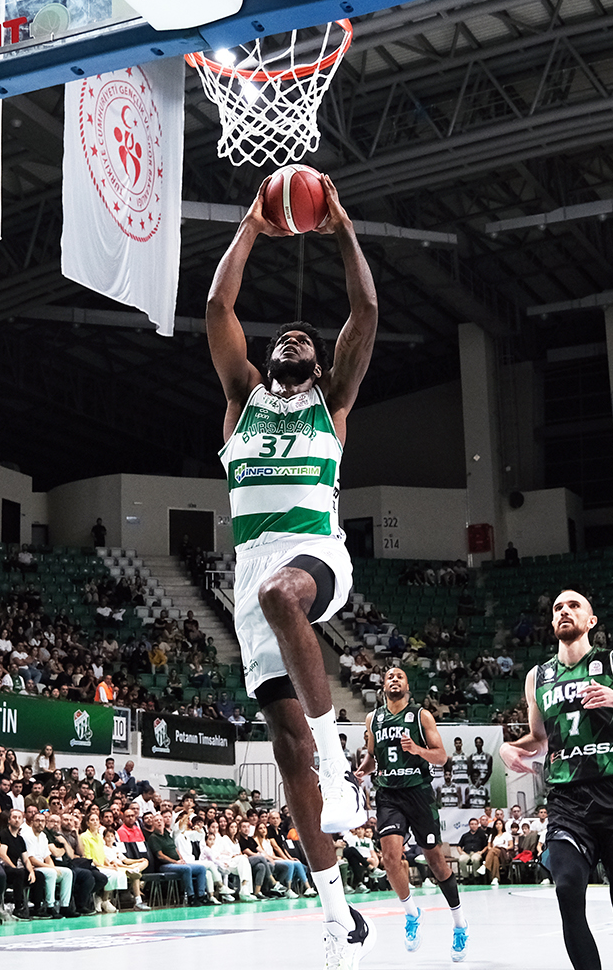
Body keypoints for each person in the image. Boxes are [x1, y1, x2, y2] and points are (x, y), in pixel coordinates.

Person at [207, 169, 378, 969]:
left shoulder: (331, 403)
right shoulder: (242, 398)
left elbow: (364, 314)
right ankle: (338, 914)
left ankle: (338, 764)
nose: (293, 340)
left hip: (316, 559)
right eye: (284, 337)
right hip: (251, 578)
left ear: (321, 363)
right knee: (284, 752)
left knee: (286, 594)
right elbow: (219, 310)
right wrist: (251, 222)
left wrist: (342, 229)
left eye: (306, 339)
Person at [499, 590, 613, 970]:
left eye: (574, 606)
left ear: (591, 621)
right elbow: (540, 740)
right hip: (567, 800)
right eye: (558, 608)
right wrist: (509, 748)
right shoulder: (537, 677)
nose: (564, 611)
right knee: (567, 890)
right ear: (552, 622)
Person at [356, 667, 468, 960]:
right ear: (383, 686)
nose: (394, 679)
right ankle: (411, 913)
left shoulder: (421, 716)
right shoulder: (373, 718)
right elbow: (372, 756)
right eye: (389, 676)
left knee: (436, 863)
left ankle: (459, 923)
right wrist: (362, 770)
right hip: (388, 795)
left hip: (418, 793)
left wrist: (417, 750)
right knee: (390, 857)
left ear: (407, 686)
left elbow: (441, 756)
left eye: (400, 676)